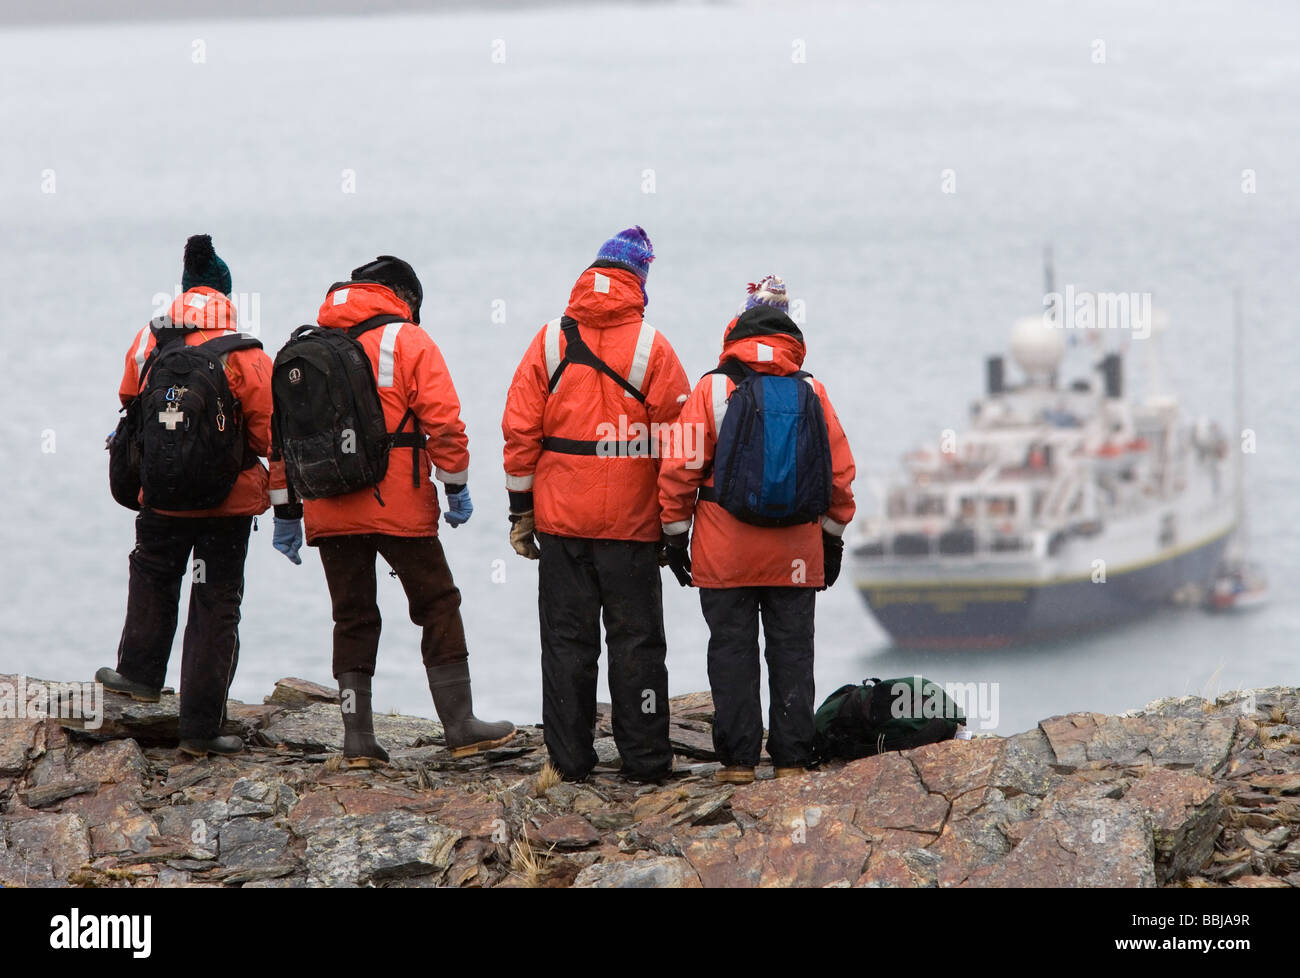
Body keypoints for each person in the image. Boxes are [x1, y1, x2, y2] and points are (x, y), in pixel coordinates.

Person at [269, 256, 514, 767]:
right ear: (404, 295)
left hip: (327, 503)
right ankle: (461, 725)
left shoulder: (303, 348)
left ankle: (357, 740)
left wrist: (286, 511)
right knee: (437, 604)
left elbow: (282, 440)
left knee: (352, 616)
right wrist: (455, 485)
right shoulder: (408, 341)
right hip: (396, 500)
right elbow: (445, 422)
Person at [502, 227, 690, 783]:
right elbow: (679, 445)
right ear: (640, 280)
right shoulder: (653, 348)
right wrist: (673, 523)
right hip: (632, 527)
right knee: (637, 646)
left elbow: (519, 433)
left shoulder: (548, 343)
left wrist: (521, 512)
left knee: (565, 645)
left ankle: (568, 761)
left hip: (561, 524)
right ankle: (647, 762)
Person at [657, 276, 856, 784]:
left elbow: (680, 468)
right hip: (795, 552)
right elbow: (839, 473)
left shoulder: (712, 387)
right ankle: (791, 760)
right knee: (792, 651)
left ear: (736, 329)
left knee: (731, 651)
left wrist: (676, 535)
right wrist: (832, 537)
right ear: (791, 334)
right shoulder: (812, 389)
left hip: (725, 551)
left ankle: (739, 763)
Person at [98, 235, 271, 757]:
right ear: (225, 298)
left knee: (152, 574)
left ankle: (139, 675)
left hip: (162, 495)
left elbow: (128, 398)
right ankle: (200, 728)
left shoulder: (150, 341)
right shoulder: (245, 352)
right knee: (216, 603)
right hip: (229, 502)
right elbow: (267, 432)